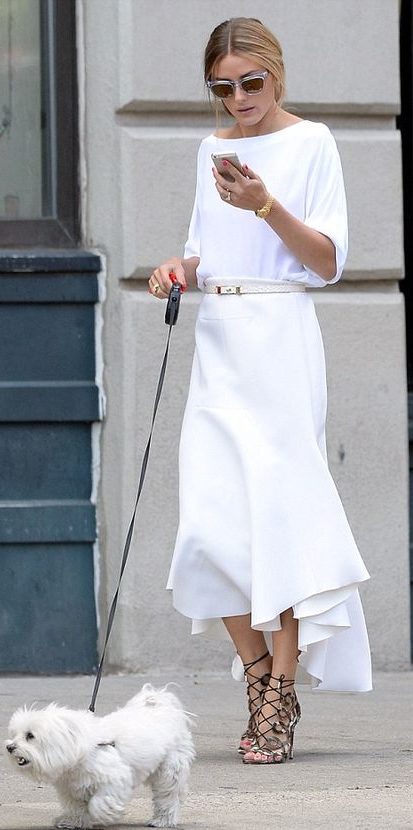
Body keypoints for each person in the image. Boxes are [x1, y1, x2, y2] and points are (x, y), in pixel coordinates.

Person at [148, 17, 372, 765]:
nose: (238, 98)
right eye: (222, 86)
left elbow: (328, 261)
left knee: (278, 518)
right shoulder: (210, 148)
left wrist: (267, 206)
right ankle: (257, 678)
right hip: (219, 339)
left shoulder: (312, 143)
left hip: (278, 336)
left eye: (250, 82)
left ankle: (278, 693)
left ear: (276, 73)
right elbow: (204, 248)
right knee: (213, 524)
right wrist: (175, 269)